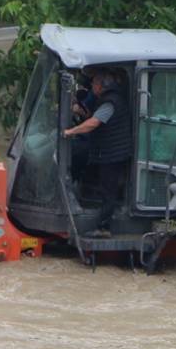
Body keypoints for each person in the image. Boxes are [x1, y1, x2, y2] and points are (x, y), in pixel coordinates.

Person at [62, 70, 132, 237]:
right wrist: (80, 112)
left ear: (102, 86)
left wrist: (70, 131)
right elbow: (92, 117)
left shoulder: (110, 102)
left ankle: (103, 228)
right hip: (108, 151)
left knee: (109, 190)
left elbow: (93, 123)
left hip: (112, 154)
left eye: (93, 83)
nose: (91, 86)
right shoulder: (108, 100)